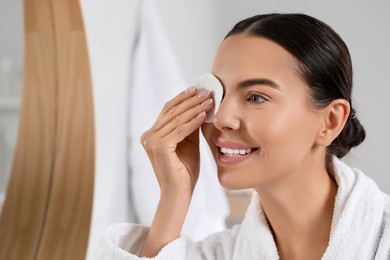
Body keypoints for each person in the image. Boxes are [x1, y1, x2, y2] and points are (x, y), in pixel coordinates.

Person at [99, 13, 390, 259]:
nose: (222, 118)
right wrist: (174, 196)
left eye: (255, 97)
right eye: (217, 93)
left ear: (330, 120)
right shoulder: (219, 254)